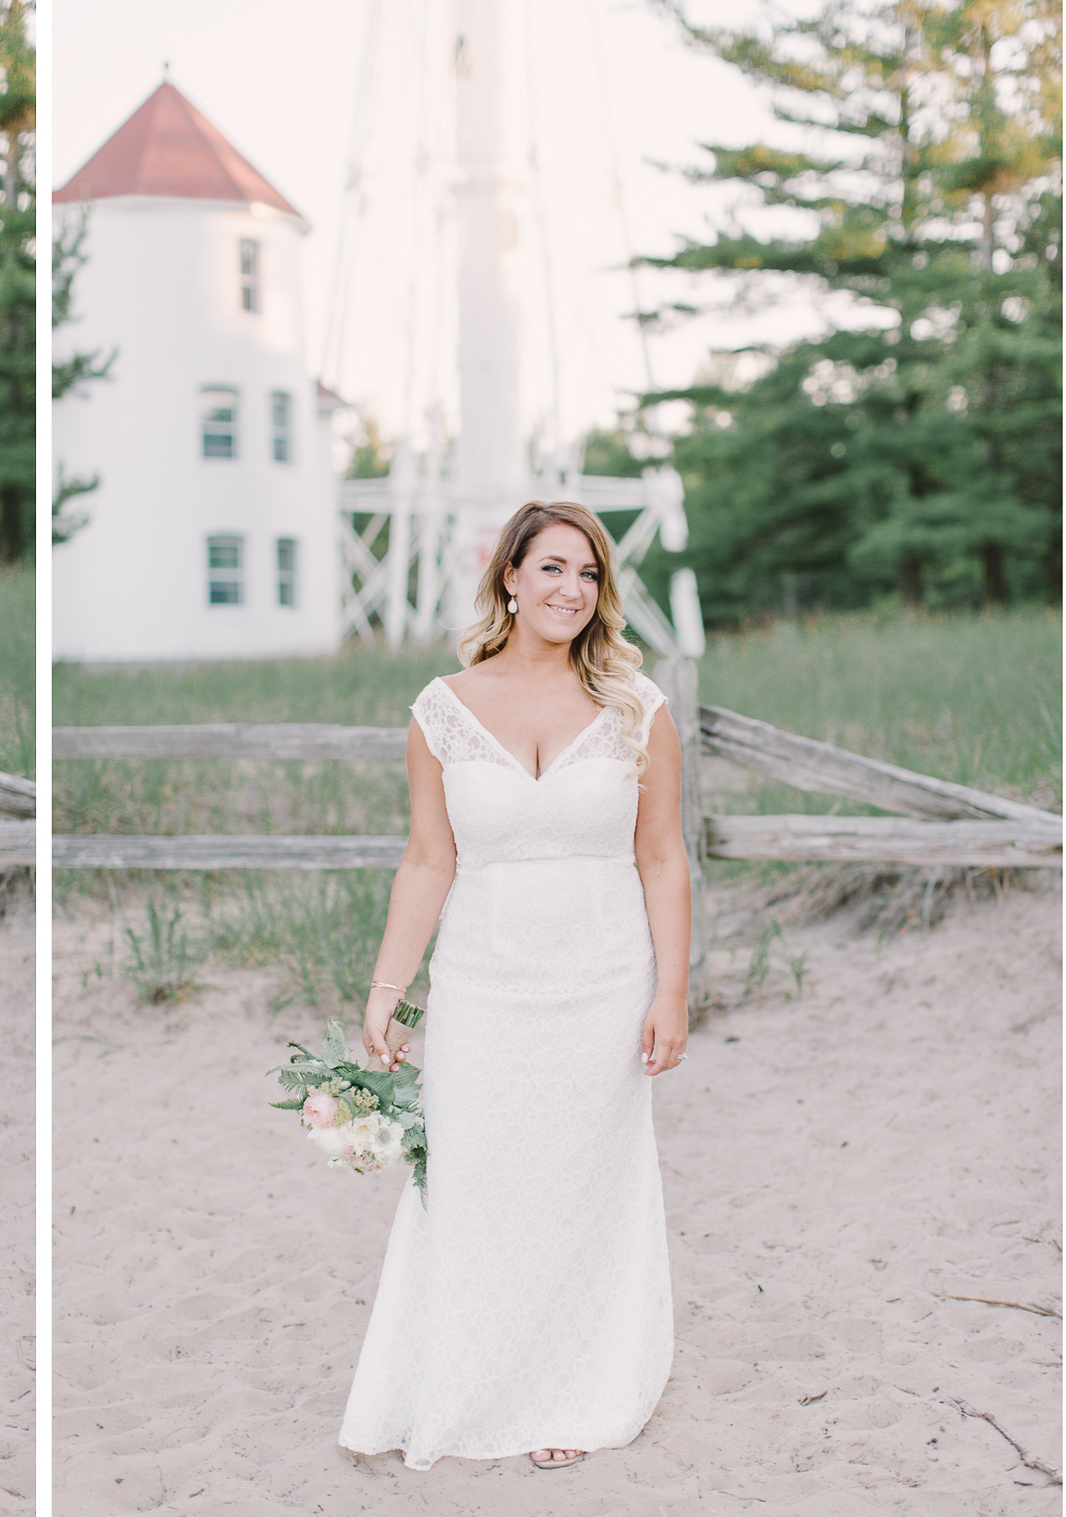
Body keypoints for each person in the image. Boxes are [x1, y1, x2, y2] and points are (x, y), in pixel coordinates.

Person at [338, 499, 689, 1471]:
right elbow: (424, 858)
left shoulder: (635, 705)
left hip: (602, 980)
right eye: (549, 568)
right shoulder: (440, 707)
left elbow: (660, 858)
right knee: (472, 1179)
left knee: (584, 1181)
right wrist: (387, 989)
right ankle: (470, 1375)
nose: (568, 589)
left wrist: (671, 991)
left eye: (585, 573)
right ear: (508, 577)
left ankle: (579, 1387)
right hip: (481, 984)